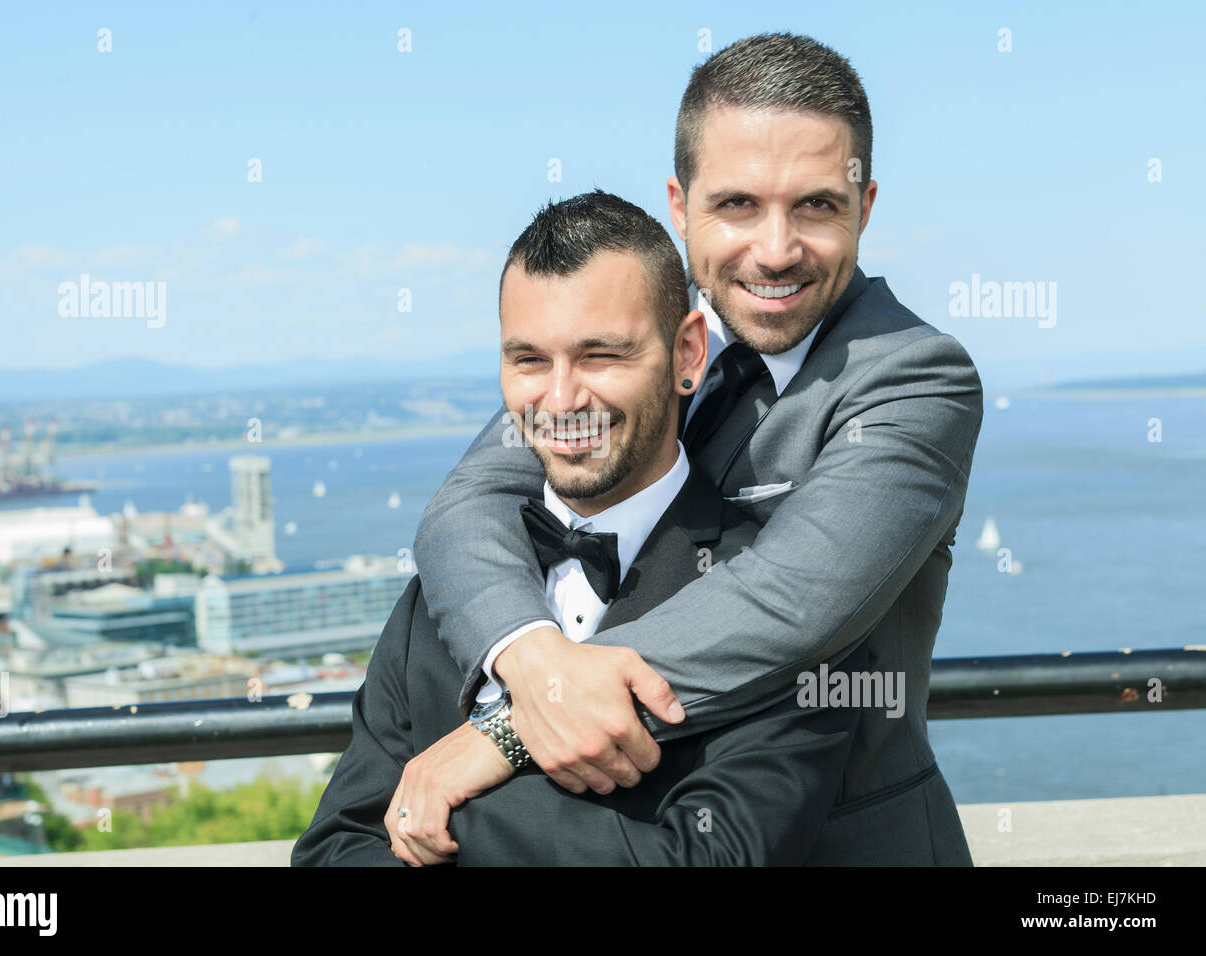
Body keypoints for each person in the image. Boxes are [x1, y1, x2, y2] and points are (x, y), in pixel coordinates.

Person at [407, 33, 982, 863]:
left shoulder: (916, 380)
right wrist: (529, 660)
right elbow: (468, 503)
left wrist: (508, 730)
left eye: (816, 205)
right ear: (680, 207)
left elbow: (789, 604)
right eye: (738, 205)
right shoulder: (632, 342)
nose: (776, 250)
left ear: (865, 206)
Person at [292, 191, 871, 866]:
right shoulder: (439, 600)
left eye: (600, 356)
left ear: (688, 354)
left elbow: (715, 861)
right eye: (529, 360)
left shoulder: (783, 594)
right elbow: (334, 849)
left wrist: (462, 802)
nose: (561, 399)